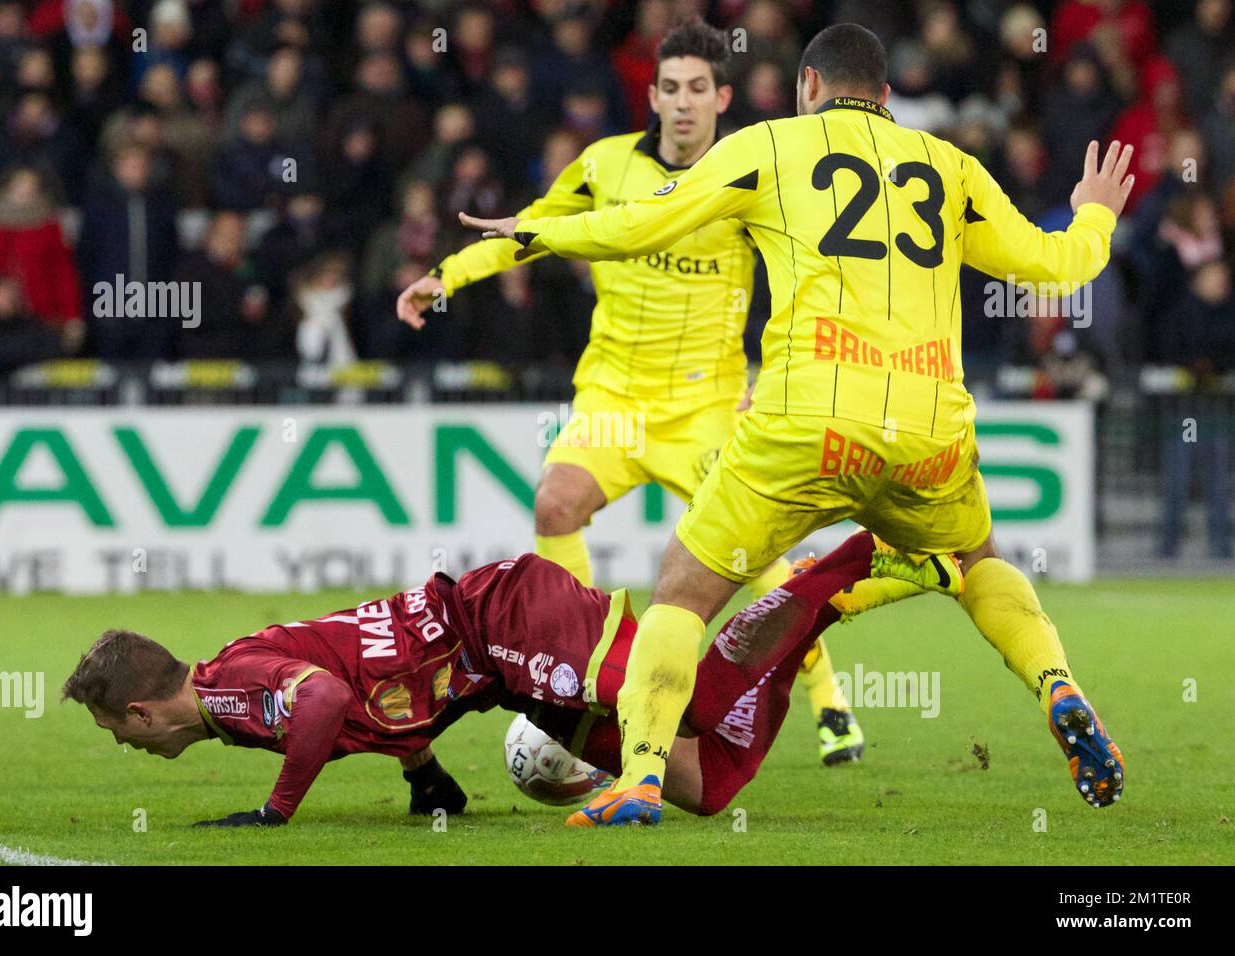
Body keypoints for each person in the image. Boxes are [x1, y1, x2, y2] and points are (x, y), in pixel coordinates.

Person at [460, 23, 1132, 826]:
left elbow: (642, 224)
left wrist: (536, 232)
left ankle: (640, 776)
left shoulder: (773, 146)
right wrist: (1093, 218)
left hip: (806, 419)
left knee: (682, 592)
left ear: (809, 86)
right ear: (885, 97)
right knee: (979, 560)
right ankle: (1056, 682)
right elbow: (1053, 267)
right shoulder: (951, 166)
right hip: (928, 427)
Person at [397, 18, 867, 767]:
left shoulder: (748, 173)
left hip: (707, 407)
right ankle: (583, 679)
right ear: (651, 95)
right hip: (613, 398)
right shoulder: (605, 165)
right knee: (555, 503)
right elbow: (533, 230)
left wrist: (776, 377)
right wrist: (445, 277)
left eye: (697, 91)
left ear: (722, 96)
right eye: (670, 89)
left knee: (757, 559)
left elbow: (804, 282)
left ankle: (831, 705)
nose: (683, 104)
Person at [61, 533, 958, 827]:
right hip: (498, 675)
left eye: (118, 732)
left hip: (505, 623)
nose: (129, 747)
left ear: (141, 709)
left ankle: (848, 560)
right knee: (705, 784)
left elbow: (331, 699)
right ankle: (832, 603)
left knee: (691, 702)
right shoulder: (236, 679)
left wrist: (276, 811)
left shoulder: (227, 697)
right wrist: (422, 776)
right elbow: (367, 691)